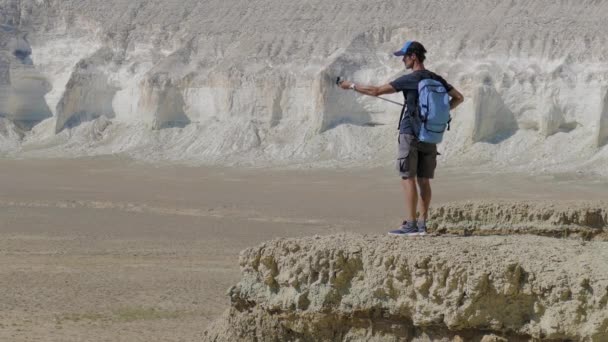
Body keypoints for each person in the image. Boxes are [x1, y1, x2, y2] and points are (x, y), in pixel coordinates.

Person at [339, 41, 464, 236]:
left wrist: (351, 85)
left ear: (413, 56)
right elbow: (459, 97)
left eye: (404, 56)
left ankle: (411, 225)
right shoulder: (437, 78)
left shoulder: (411, 78)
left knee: (408, 177)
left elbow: (376, 91)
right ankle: (423, 224)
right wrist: (438, 112)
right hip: (431, 134)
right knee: (424, 180)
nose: (403, 60)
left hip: (411, 133)